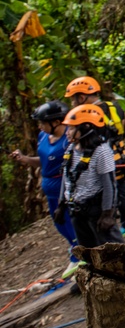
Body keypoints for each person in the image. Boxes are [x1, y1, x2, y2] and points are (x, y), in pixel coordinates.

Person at [10, 101, 78, 261]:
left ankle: (81, 255)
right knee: (60, 225)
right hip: (49, 189)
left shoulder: (69, 138)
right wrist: (24, 159)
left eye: (42, 123)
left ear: (56, 122)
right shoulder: (43, 136)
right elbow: (44, 160)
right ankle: (74, 249)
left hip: (64, 188)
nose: (39, 126)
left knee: (71, 223)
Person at [65, 76, 125, 232]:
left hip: (101, 159)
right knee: (122, 190)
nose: (72, 104)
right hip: (120, 155)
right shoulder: (115, 106)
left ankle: (112, 224)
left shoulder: (90, 115)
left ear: (82, 97)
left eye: (73, 100)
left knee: (108, 192)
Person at [55, 103, 125, 248]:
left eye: (72, 128)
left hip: (95, 209)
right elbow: (66, 177)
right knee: (88, 251)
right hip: (77, 210)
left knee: (113, 250)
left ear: (86, 127)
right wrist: (62, 203)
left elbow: (109, 185)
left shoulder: (101, 151)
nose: (67, 132)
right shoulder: (71, 149)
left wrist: (107, 213)